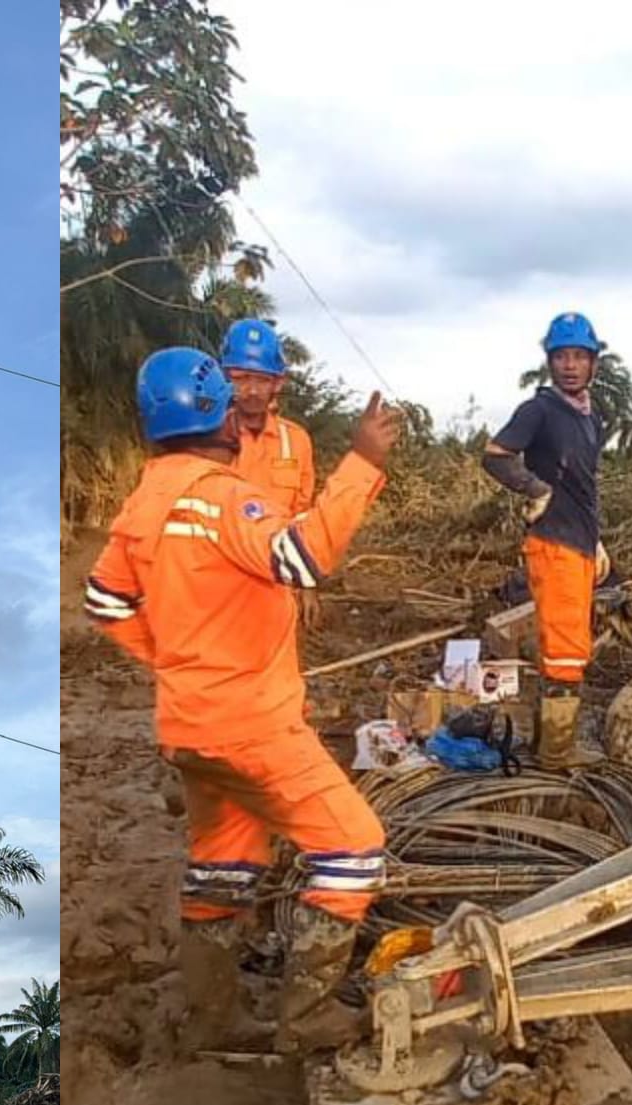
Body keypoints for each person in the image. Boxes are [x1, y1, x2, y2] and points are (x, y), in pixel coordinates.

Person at [86, 347, 400, 1054]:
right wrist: (364, 463)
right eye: (231, 401)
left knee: (222, 867)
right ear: (213, 413)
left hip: (189, 726)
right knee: (354, 851)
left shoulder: (143, 506)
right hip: (252, 725)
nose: (241, 414)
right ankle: (308, 1015)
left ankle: (213, 1020)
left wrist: (172, 658)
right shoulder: (225, 497)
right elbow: (299, 558)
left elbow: (104, 599)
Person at [482, 312, 612, 767]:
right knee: (566, 652)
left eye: (579, 356)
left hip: (578, 541)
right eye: (561, 356)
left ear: (594, 362)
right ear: (549, 361)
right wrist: (535, 489)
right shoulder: (539, 410)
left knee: (568, 646)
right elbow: (496, 456)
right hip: (553, 543)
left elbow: (585, 486)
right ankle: (557, 754)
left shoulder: (592, 416)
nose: (570, 365)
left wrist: (596, 541)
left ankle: (549, 742)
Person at [220, 318, 323, 629]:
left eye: (261, 380)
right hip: (219, 590)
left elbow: (303, 517)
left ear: (278, 383)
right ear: (226, 378)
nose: (251, 390)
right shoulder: (207, 439)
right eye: (241, 378)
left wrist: (307, 585)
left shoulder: (297, 442)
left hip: (276, 588)